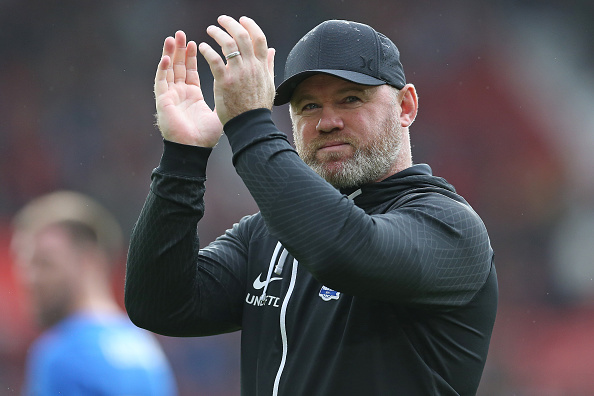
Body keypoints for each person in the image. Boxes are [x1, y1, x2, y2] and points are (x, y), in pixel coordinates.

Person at [125, 15, 498, 395]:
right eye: (308, 106)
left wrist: (250, 125)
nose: (327, 122)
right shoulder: (268, 233)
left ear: (406, 106)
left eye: (351, 98)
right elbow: (159, 304)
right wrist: (182, 160)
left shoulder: (451, 226)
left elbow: (345, 250)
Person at [11, 191, 178, 396]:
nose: (30, 278)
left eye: (44, 263)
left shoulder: (61, 355)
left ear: (89, 261)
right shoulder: (145, 349)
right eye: (25, 265)